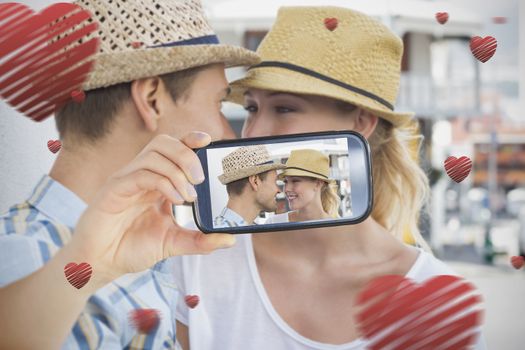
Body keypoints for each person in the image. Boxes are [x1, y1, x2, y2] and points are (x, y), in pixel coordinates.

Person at [173, 6, 486, 350]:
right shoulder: (197, 261)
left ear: (362, 123)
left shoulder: (438, 303)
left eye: (285, 108)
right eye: (251, 108)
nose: (254, 131)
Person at [0, 0, 258, 348]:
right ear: (151, 99)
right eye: (218, 104)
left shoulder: (142, 243)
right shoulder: (29, 259)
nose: (229, 133)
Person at [214, 145, 284, 227]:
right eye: (275, 181)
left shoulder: (221, 229)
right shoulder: (218, 235)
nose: (279, 190)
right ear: (255, 181)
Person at [265, 149, 340, 223]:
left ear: (318, 183)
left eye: (295, 181)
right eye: (286, 181)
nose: (286, 189)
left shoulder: (338, 227)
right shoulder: (273, 223)